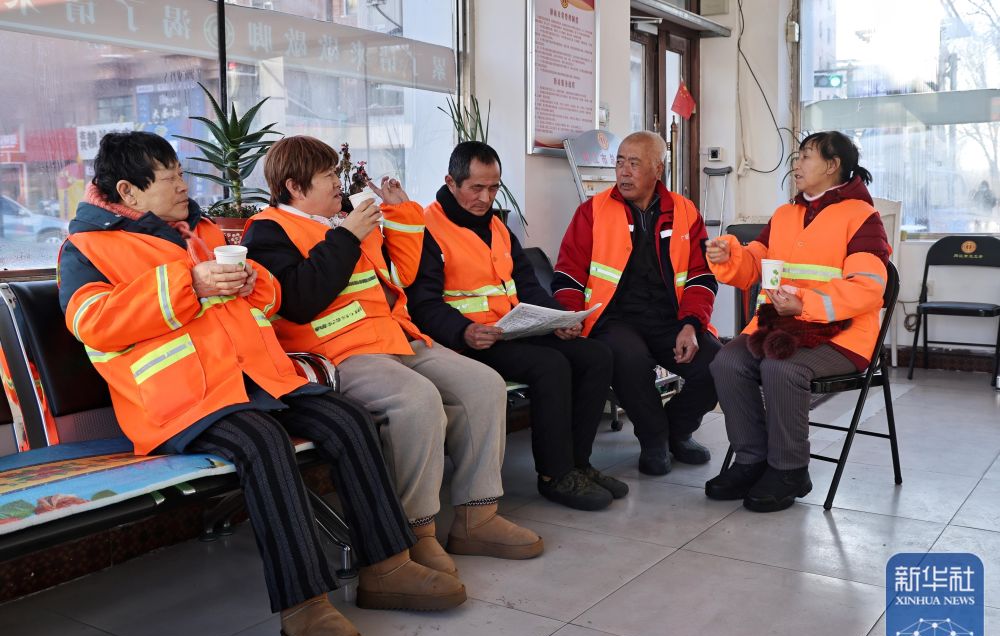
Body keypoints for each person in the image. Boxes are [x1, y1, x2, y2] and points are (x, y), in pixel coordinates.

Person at [58, 132, 465, 636]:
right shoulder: (86, 249)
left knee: (346, 418)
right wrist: (191, 285)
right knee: (266, 444)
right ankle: (305, 605)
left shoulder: (199, 232)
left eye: (182, 173)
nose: (184, 185)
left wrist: (253, 280)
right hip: (183, 400)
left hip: (256, 379)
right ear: (128, 193)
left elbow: (271, 301)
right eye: (171, 178)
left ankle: (386, 565)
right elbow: (92, 322)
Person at [243, 136, 543, 576]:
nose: (337, 184)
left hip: (396, 337)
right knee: (417, 401)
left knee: (484, 385)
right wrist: (346, 237)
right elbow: (300, 300)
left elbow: (399, 275)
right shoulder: (267, 230)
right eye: (327, 176)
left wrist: (402, 216)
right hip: (338, 354)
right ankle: (414, 531)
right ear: (293, 187)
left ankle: (476, 516)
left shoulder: (342, 221)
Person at [405, 141, 628, 512]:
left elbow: (526, 285)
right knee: (550, 366)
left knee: (595, 354)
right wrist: (464, 332)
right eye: (476, 188)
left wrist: (558, 318)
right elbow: (423, 304)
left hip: (512, 330)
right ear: (451, 182)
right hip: (467, 342)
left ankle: (579, 463)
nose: (486, 197)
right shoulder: (426, 229)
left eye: (493, 188)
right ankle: (554, 474)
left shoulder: (497, 226)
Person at [705, 130, 890, 513]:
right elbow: (754, 265)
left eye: (807, 156)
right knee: (727, 361)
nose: (797, 163)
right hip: (776, 326)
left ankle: (790, 469)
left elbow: (868, 288)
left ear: (833, 165)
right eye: (798, 155)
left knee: (781, 368)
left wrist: (803, 303)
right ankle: (750, 459)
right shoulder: (785, 214)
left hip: (844, 336)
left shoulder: (862, 217)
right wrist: (728, 255)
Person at [552, 131, 721, 476]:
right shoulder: (593, 211)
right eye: (619, 162)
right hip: (613, 319)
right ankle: (654, 438)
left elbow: (701, 275)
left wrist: (691, 324)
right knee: (628, 359)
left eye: (634, 163)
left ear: (658, 169)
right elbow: (568, 273)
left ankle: (677, 430)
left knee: (719, 364)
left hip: (671, 318)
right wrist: (570, 315)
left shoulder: (685, 211)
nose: (624, 172)